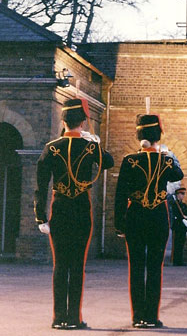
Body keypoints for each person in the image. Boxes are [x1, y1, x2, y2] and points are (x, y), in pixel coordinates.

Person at [34, 98, 114, 330]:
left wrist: (41, 216)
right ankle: (74, 317)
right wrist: (95, 142)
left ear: (63, 120)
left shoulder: (52, 147)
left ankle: (59, 318)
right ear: (83, 121)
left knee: (60, 265)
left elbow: (40, 185)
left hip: (59, 209)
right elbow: (108, 162)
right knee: (77, 266)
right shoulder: (90, 146)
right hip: (81, 210)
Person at [115, 114, 183, 329]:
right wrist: (167, 154)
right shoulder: (167, 160)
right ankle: (151, 317)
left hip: (135, 216)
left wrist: (119, 224)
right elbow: (178, 174)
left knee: (136, 267)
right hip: (158, 218)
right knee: (155, 267)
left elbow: (120, 195)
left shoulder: (129, 161)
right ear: (158, 135)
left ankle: (137, 316)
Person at [169, 187, 187, 266]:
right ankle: (175, 260)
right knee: (176, 244)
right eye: (182, 194)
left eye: (183, 194)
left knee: (181, 244)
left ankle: (179, 260)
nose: (183, 196)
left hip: (183, 227)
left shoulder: (183, 205)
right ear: (177, 194)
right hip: (177, 226)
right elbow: (173, 215)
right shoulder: (174, 204)